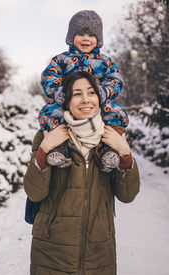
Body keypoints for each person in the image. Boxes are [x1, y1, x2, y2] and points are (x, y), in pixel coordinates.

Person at [24, 71, 140, 275]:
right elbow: (34, 192)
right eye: (77, 94)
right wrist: (44, 150)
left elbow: (128, 195)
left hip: (99, 252)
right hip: (52, 253)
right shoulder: (47, 135)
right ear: (66, 100)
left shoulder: (113, 136)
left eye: (91, 93)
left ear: (99, 98)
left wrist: (125, 153)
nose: (86, 99)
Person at [38, 9, 128, 172]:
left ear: (98, 39)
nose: (86, 38)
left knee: (116, 113)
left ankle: (109, 151)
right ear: (71, 38)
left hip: (96, 103)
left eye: (91, 35)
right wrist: (58, 92)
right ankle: (58, 149)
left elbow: (116, 78)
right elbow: (48, 76)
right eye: (80, 34)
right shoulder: (62, 60)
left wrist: (104, 92)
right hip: (67, 102)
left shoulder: (104, 61)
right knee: (50, 113)